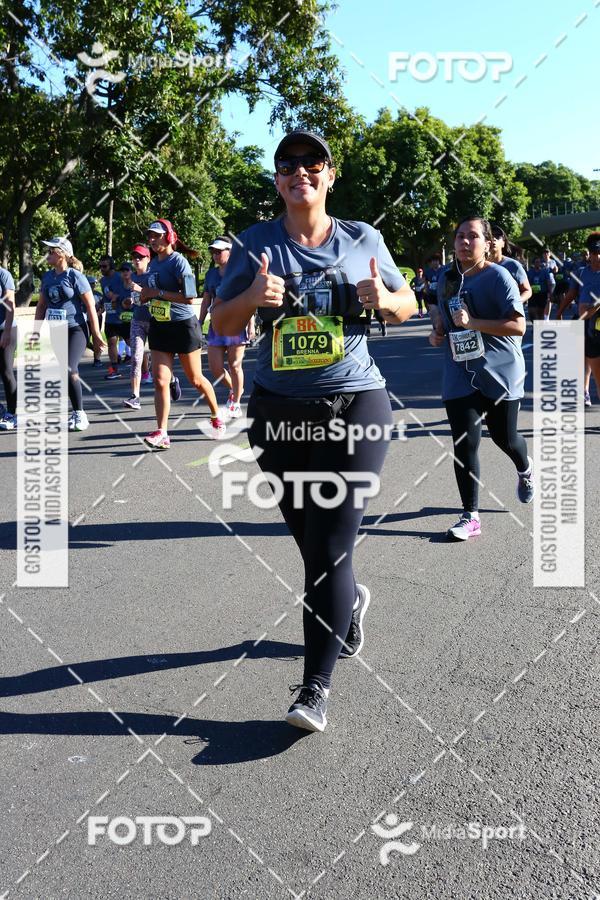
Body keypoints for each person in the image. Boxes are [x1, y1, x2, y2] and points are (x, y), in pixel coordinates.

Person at [212, 130, 416, 733]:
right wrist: (250, 296)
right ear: (277, 180)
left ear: (330, 176)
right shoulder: (253, 244)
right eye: (287, 165)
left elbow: (408, 307)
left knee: (326, 551)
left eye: (312, 163)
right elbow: (219, 322)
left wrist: (385, 298)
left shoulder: (363, 238)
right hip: (279, 410)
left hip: (356, 402)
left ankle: (313, 689)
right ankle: (348, 603)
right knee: (313, 544)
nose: (299, 171)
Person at [428, 216, 533, 541]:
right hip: (459, 372)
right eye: (459, 236)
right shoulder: (446, 278)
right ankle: (470, 515)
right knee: (465, 443)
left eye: (472, 236)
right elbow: (440, 314)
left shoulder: (498, 276)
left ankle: (525, 469)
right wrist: (438, 330)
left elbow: (518, 326)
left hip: (499, 371)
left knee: (505, 437)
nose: (463, 242)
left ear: (487, 243)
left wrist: (474, 322)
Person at [139, 219, 225, 448]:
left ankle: (217, 417)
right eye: (150, 235)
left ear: (169, 237)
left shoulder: (179, 262)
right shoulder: (154, 264)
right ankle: (162, 432)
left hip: (182, 325)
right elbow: (155, 294)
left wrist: (155, 292)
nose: (152, 239)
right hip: (160, 325)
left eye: (156, 235)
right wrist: (146, 296)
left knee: (195, 379)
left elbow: (189, 297)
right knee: (159, 380)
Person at [36, 236, 105, 430]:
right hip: (56, 330)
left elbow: (90, 306)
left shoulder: (75, 276)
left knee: (70, 368)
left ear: (63, 254)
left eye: (51, 250)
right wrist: (35, 331)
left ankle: (81, 415)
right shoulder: (48, 277)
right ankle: (74, 412)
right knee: (64, 372)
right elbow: (41, 306)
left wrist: (96, 333)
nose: (48, 254)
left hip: (76, 329)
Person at [199, 236, 253, 419]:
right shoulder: (211, 274)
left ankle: (236, 403)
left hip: (237, 322)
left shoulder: (240, 272)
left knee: (235, 365)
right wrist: (199, 322)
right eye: (212, 251)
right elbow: (206, 299)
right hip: (217, 325)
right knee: (215, 368)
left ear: (231, 252)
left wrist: (251, 324)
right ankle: (235, 389)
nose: (215, 255)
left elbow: (249, 299)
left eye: (219, 251)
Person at [557, 232, 600, 407]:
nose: (597, 256)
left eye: (599, 252)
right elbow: (572, 293)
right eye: (594, 252)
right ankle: (584, 391)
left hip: (595, 320)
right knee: (584, 358)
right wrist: (559, 311)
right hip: (583, 321)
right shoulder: (581, 272)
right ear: (588, 253)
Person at [123, 245, 153, 410]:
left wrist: (141, 290)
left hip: (155, 321)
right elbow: (135, 300)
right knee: (135, 358)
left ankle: (171, 380)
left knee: (161, 360)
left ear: (148, 258)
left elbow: (158, 296)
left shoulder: (153, 276)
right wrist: (129, 302)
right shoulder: (132, 277)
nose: (136, 260)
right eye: (134, 257)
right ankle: (135, 396)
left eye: (140, 257)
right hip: (137, 321)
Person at [99, 255, 128, 380]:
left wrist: (116, 297)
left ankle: (145, 368)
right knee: (111, 342)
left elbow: (127, 291)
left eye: (104, 266)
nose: (101, 269)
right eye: (100, 266)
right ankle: (114, 370)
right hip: (110, 318)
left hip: (123, 317)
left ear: (111, 266)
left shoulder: (119, 277)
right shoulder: (102, 281)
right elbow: (106, 298)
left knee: (131, 343)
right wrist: (100, 306)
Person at [490, 225, 532, 303]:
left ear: (503, 243)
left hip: (509, 314)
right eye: (490, 236)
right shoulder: (478, 266)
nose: (493, 239)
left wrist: (515, 303)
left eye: (497, 236)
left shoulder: (513, 265)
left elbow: (527, 290)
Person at [0, 265, 17, 430]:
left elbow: (10, 305)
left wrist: (6, 332)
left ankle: (12, 414)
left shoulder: (3, 275)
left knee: (6, 371)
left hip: (6, 329)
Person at [526, 257, 553, 321]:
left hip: (542, 294)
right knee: (531, 313)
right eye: (536, 262)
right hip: (532, 295)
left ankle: (538, 328)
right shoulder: (530, 272)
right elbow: (527, 282)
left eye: (539, 262)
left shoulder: (545, 271)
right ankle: (536, 325)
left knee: (540, 313)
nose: (538, 263)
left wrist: (550, 293)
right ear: (533, 263)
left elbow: (548, 282)